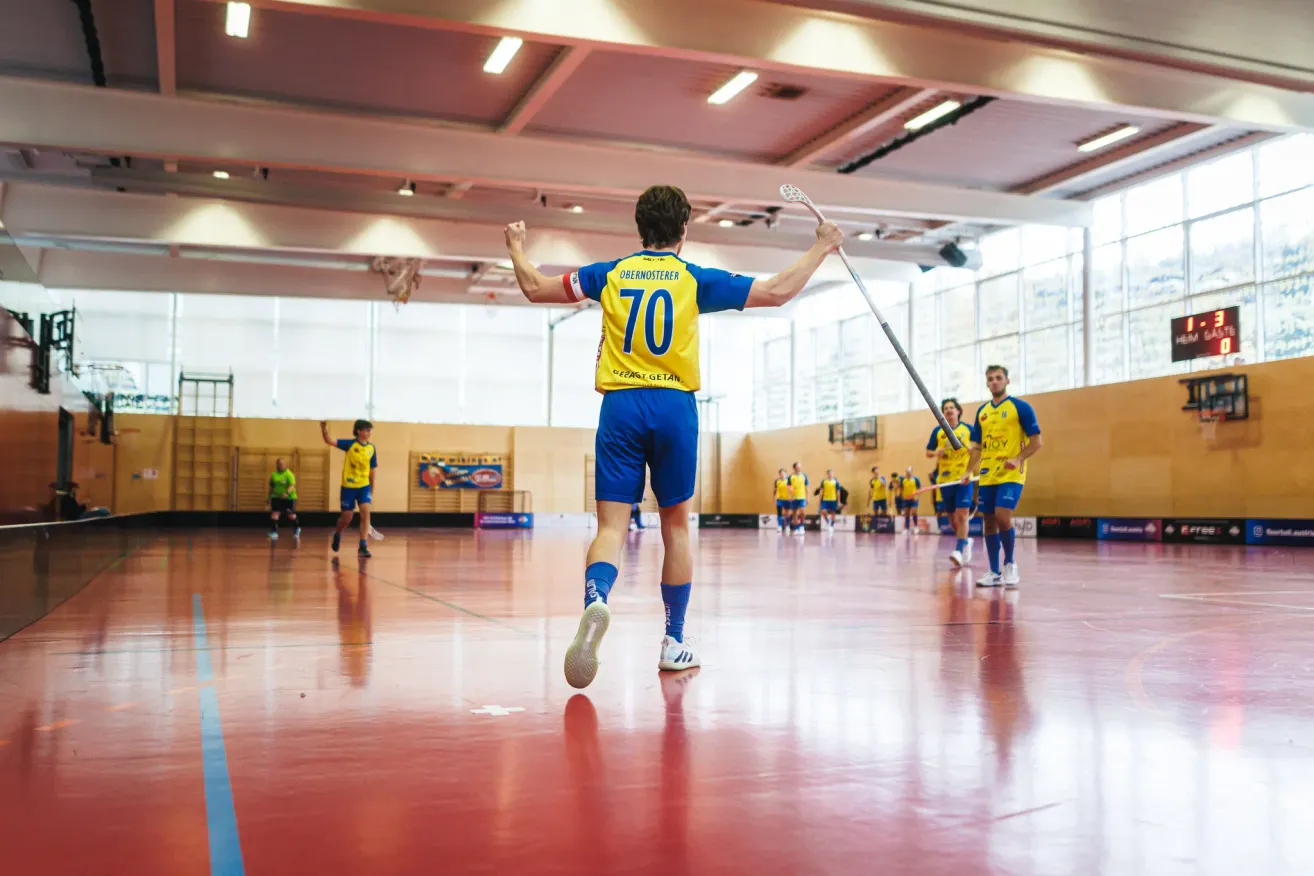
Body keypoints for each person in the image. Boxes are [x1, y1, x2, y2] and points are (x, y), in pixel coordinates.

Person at [503, 184, 843, 688]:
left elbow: (535, 287)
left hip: (620, 406)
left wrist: (514, 245)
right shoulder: (693, 278)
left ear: (640, 228)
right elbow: (775, 291)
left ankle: (596, 600)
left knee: (612, 528)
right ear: (684, 230)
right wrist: (822, 246)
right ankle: (674, 641)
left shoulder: (608, 274)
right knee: (676, 527)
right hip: (674, 406)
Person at [964, 365, 1043, 588]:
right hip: (987, 475)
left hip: (1011, 473)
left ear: (1007, 381)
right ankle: (994, 571)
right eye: (990, 378)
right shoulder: (982, 412)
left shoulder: (1021, 408)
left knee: (1001, 516)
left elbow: (1037, 441)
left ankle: (1010, 563)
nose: (994, 381)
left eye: (998, 378)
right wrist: (968, 471)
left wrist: (1018, 458)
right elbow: (978, 447)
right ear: (987, 383)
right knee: (988, 520)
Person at [926, 398, 974, 566]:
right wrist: (937, 452)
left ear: (958, 411)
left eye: (951, 408)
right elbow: (928, 452)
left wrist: (970, 450)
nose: (948, 410)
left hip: (964, 479)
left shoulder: (968, 429)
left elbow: (979, 449)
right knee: (952, 518)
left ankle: (959, 550)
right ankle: (965, 541)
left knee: (962, 515)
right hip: (945, 480)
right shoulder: (938, 432)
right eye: (945, 408)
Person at [321, 419, 377, 558]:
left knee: (365, 512)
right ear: (358, 431)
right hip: (348, 487)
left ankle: (363, 546)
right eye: (367, 429)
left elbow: (372, 469)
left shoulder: (371, 448)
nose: (369, 432)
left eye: (370, 430)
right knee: (347, 517)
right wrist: (324, 428)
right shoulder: (350, 444)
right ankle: (338, 533)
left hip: (363, 486)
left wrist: (372, 487)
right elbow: (329, 441)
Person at [267, 457, 300, 540]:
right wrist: (269, 497)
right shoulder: (274, 475)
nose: (281, 465)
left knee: (290, 515)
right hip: (276, 497)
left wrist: (286, 493)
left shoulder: (289, 474)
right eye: (279, 464)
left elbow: (292, 485)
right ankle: (274, 532)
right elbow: (271, 487)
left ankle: (297, 528)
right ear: (277, 465)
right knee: (275, 513)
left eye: (283, 464)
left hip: (289, 498)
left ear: (285, 465)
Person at [788, 462, 809, 535]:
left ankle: (801, 526)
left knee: (802, 512)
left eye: (800, 467)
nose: (799, 468)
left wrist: (807, 498)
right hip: (794, 498)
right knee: (794, 513)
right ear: (794, 468)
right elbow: (789, 487)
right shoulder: (791, 477)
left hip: (802, 497)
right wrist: (790, 495)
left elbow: (806, 488)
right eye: (797, 467)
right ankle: (796, 528)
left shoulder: (804, 476)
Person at [899, 466, 921, 533]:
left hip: (914, 499)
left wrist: (917, 497)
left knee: (914, 512)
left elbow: (919, 489)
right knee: (907, 513)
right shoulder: (903, 480)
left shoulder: (916, 479)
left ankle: (916, 527)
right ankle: (907, 529)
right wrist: (902, 496)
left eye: (909, 472)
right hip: (906, 499)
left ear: (911, 472)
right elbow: (901, 489)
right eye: (906, 472)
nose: (907, 473)